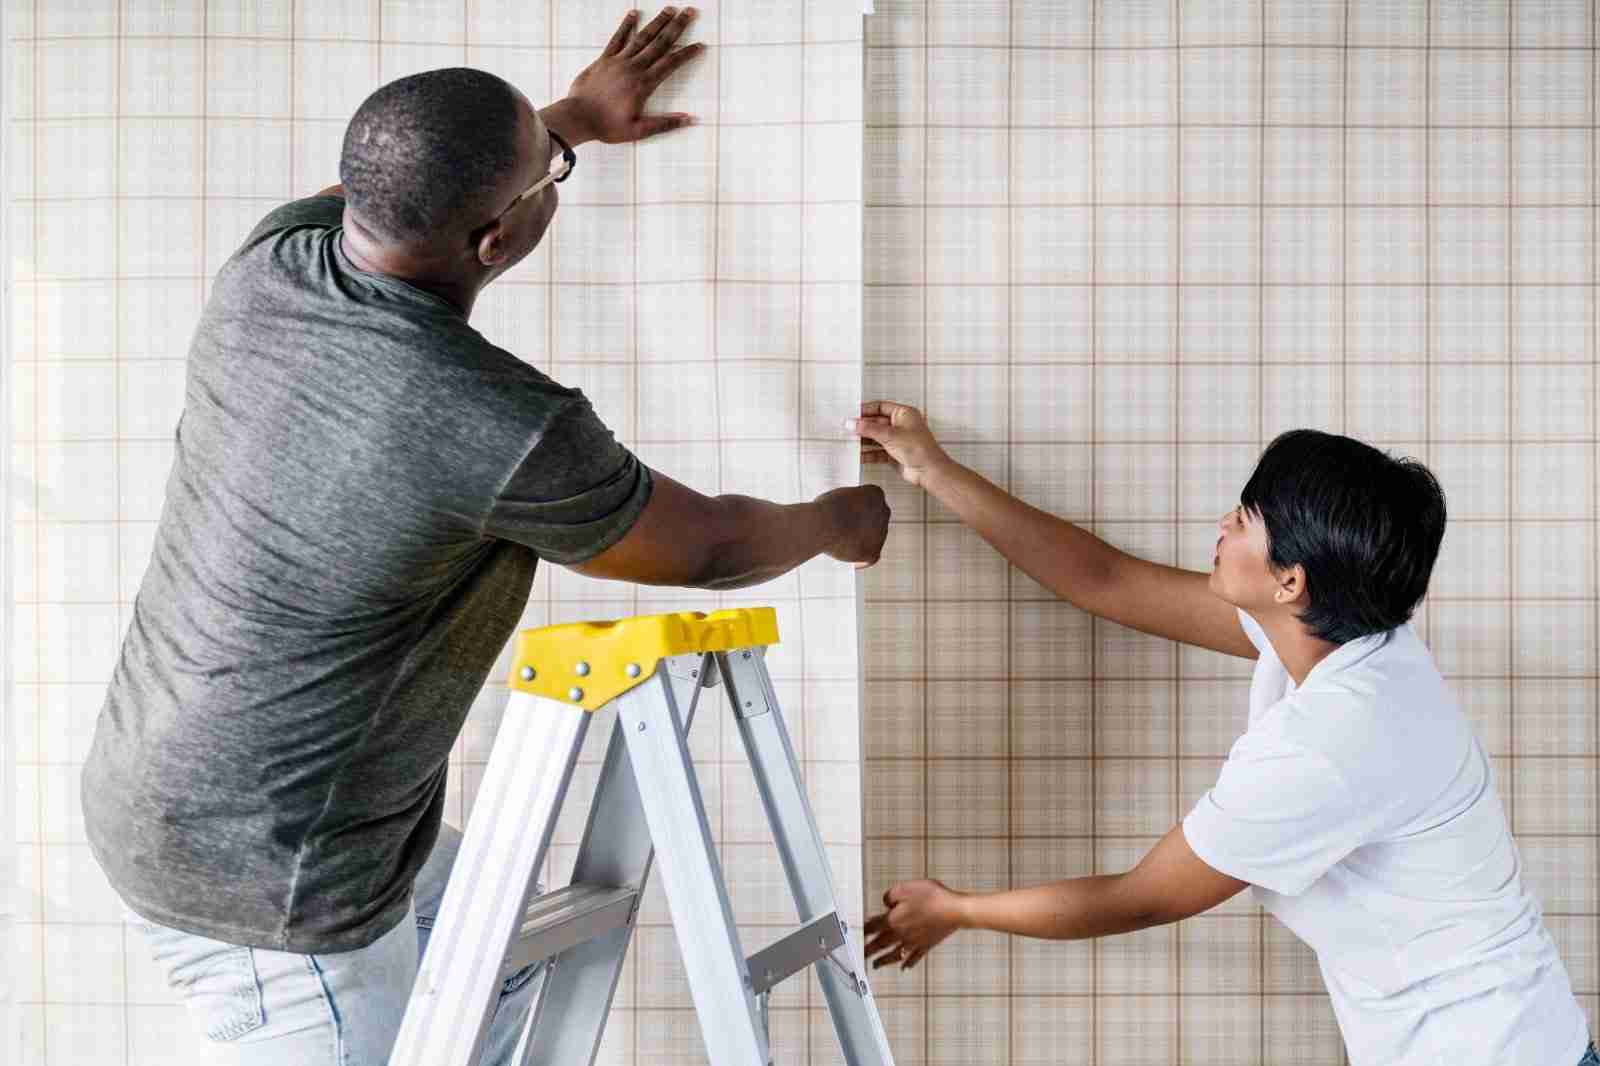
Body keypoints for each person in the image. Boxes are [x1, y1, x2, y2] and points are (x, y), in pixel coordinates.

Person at [81, 10, 890, 1065]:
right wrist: (841, 521)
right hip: (276, 885)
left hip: (190, 790)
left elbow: (402, 190)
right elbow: (709, 548)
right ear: (496, 240)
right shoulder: (494, 423)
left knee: (504, 961)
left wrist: (572, 125)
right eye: (547, 179)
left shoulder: (271, 263)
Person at [851, 401, 1594, 1066]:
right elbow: (1105, 581)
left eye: (1247, 516)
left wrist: (958, 909)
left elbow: (1136, 897)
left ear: (1290, 582)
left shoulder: (1329, 741)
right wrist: (935, 470)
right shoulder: (1350, 637)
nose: (1224, 524)